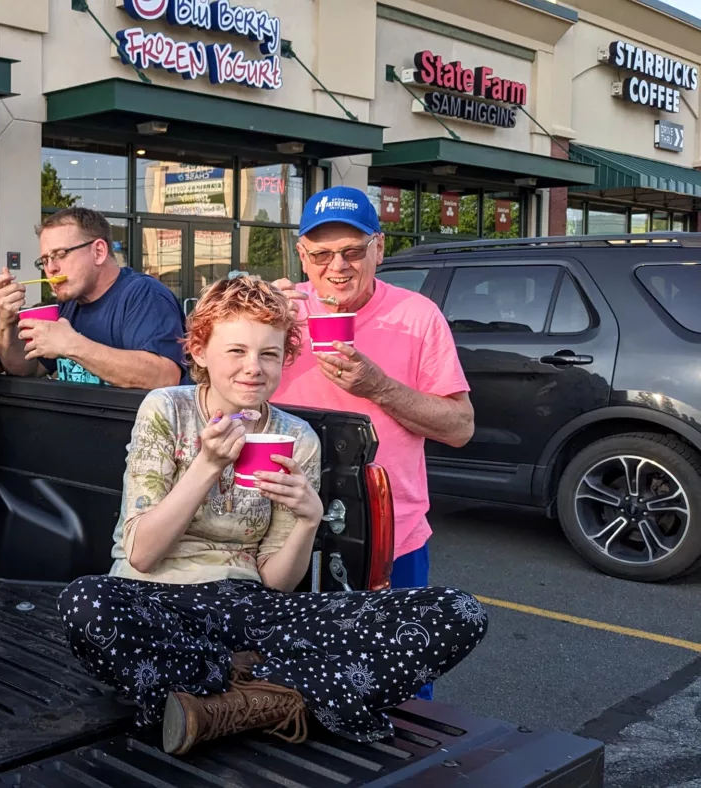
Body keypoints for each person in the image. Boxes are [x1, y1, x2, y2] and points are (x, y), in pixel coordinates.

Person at [59, 274, 487, 755]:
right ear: (199, 351)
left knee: (456, 611)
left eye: (268, 354)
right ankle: (286, 692)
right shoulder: (167, 409)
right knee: (86, 603)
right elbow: (142, 554)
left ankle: (219, 699)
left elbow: (277, 583)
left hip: (251, 609)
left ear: (286, 358)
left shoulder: (296, 436)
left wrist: (308, 519)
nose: (253, 369)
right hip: (159, 602)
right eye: (235, 351)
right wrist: (207, 465)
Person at [269, 186, 473, 701]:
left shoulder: (418, 316)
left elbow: (459, 426)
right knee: (288, 678)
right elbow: (220, 395)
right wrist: (258, 323)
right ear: (302, 254)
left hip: (390, 534)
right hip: (280, 530)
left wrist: (377, 387)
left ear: (378, 248)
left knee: (400, 683)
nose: (336, 266)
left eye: (353, 251)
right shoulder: (280, 312)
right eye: (321, 253)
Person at [0, 208, 185, 388]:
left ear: (98, 252)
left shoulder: (144, 295)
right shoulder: (68, 304)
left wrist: (71, 345)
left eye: (60, 254)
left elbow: (165, 377)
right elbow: (25, 369)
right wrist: (5, 321)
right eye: (45, 260)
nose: (51, 268)